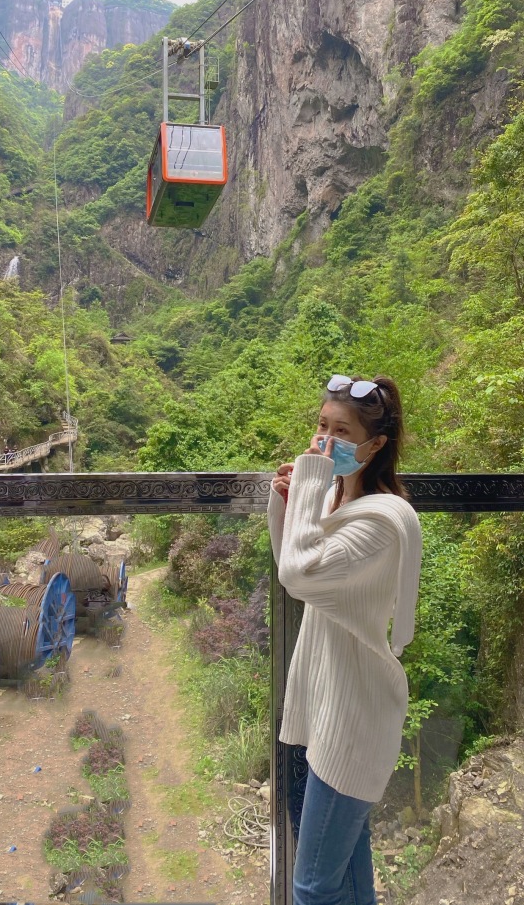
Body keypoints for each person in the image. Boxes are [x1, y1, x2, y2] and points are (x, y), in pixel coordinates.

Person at [268, 373, 423, 905]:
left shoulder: (379, 522)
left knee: (312, 886)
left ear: (374, 445)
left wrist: (310, 480)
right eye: (320, 427)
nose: (323, 444)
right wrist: (292, 502)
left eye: (341, 433)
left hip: (354, 717)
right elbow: (295, 570)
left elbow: (298, 576)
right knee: (348, 876)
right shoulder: (336, 503)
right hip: (331, 704)